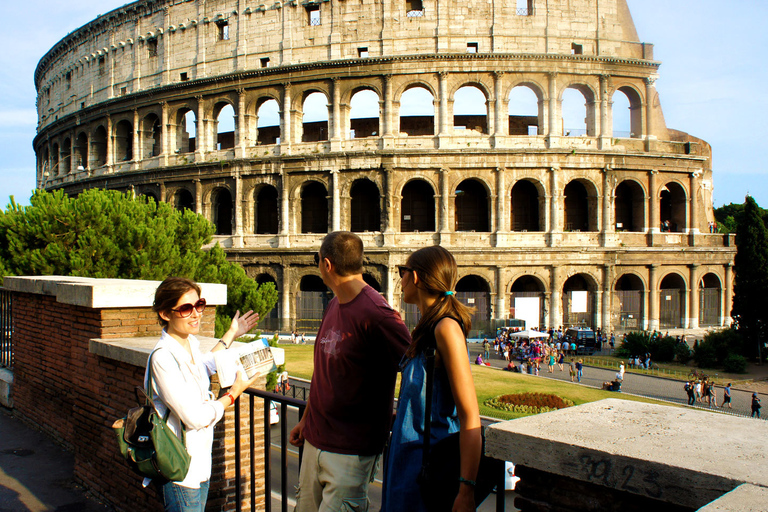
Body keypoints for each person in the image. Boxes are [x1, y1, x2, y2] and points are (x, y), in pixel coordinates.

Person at [289, 232, 411, 511]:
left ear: (327, 265)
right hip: (315, 440)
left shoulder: (379, 316)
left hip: (351, 451)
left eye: (317, 260)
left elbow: (418, 372)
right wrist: (306, 419)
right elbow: (324, 374)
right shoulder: (334, 303)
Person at [147, 276, 261, 512]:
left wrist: (232, 333)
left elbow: (207, 364)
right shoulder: (163, 358)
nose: (196, 314)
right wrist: (232, 395)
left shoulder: (189, 343)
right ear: (165, 314)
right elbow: (195, 418)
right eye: (186, 308)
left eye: (199, 305)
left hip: (199, 464)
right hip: (180, 472)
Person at [381, 245, 482, 512]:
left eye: (402, 272)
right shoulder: (427, 326)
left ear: (415, 277)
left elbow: (470, 415)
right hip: (408, 464)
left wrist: (466, 490)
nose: (400, 280)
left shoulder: (446, 328)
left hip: (429, 466)